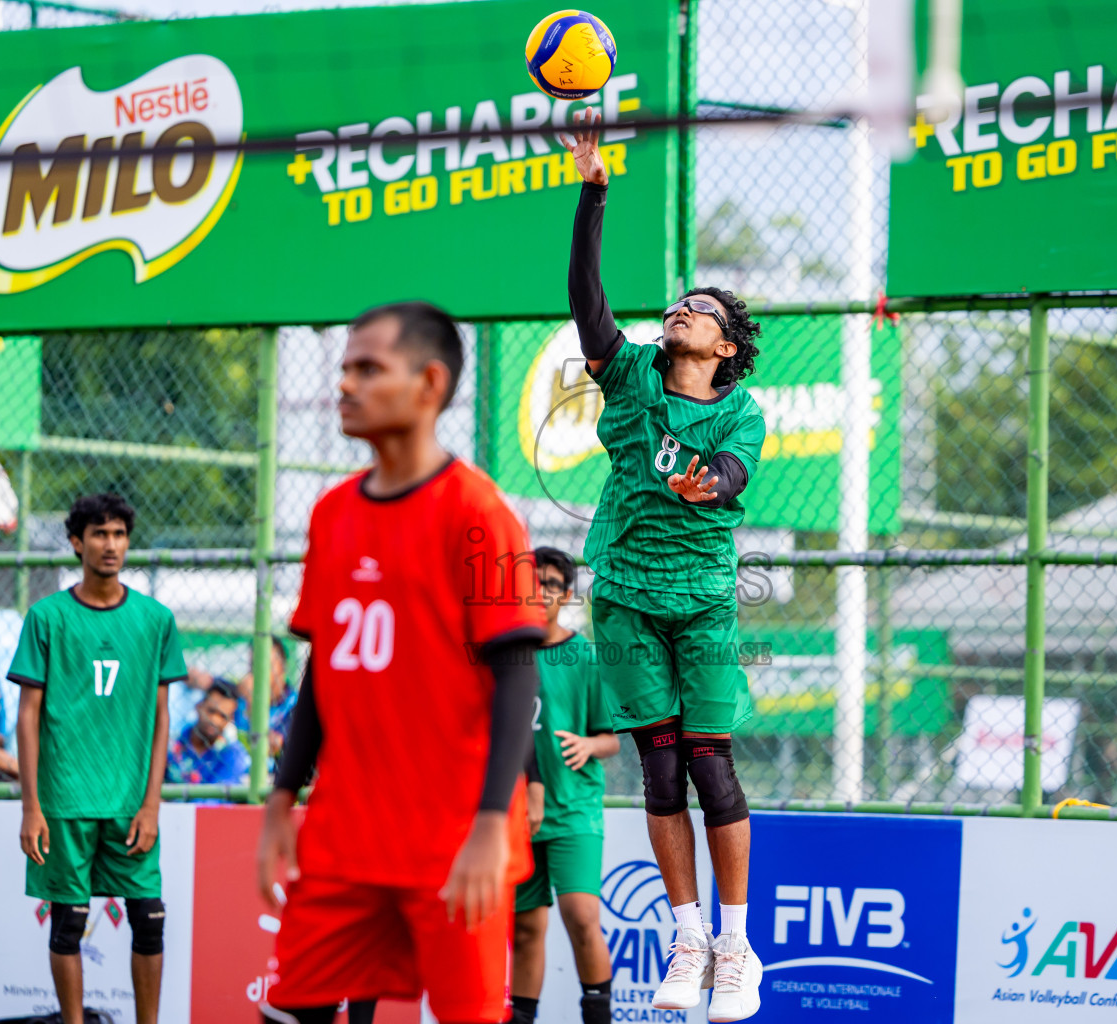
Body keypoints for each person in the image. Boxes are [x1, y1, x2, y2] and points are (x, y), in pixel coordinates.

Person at [255, 301, 545, 1024]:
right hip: (345, 837)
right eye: (344, 367)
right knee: (290, 1010)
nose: (345, 384)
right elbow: (324, 667)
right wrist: (283, 798)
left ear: (430, 385)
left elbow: (517, 676)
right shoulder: (330, 512)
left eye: (368, 369)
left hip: (452, 843)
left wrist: (487, 826)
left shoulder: (479, 513)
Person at [562, 110, 767, 1021]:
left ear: (722, 348)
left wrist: (707, 483)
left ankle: (735, 946)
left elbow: (729, 478)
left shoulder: (741, 412)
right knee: (657, 770)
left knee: (711, 765)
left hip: (704, 601)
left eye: (704, 311)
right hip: (629, 599)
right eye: (682, 302)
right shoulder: (634, 374)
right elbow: (587, 304)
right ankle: (685, 938)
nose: (683, 307)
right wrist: (593, 191)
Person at [10, 493, 186, 1024]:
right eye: (99, 534)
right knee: (68, 924)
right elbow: (27, 716)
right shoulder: (47, 617)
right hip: (65, 800)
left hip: (130, 803)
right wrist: (30, 806)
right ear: (76, 543)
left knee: (150, 920)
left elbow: (161, 721)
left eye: (119, 535)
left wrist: (152, 805)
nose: (110, 545)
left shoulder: (156, 619)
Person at [511, 547, 619, 1024]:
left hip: (573, 810)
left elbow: (612, 739)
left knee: (580, 917)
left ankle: (597, 1012)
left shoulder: (584, 656)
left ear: (567, 595)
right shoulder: (506, 656)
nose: (540, 592)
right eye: (532, 583)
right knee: (527, 928)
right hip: (517, 815)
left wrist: (589, 745)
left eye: (551, 584)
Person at [166, 678, 251, 786]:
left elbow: (216, 799)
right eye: (211, 711)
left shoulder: (233, 754)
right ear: (199, 706)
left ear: (230, 720)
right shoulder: (172, 743)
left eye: (223, 716)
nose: (214, 720)